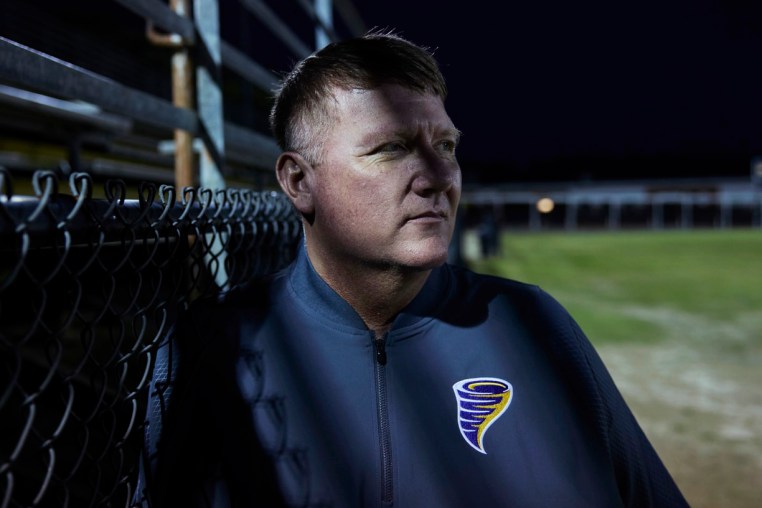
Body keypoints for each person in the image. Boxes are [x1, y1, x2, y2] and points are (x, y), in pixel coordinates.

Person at [145, 31, 688, 507]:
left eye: (445, 145)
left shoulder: (535, 323)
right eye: (391, 148)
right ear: (298, 182)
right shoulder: (211, 345)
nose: (437, 176)